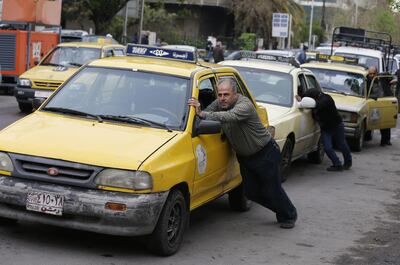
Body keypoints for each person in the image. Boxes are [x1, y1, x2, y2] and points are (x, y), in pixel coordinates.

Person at [188, 78, 297, 229]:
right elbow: (207, 112)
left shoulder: (244, 105)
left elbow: (229, 116)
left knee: (272, 189)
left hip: (265, 153)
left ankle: (289, 215)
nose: (222, 98)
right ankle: (281, 209)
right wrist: (196, 109)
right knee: (250, 192)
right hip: (245, 158)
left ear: (235, 94)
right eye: (219, 95)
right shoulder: (220, 104)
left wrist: (203, 114)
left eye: (226, 94)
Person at [301, 88, 352, 171]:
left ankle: (348, 162)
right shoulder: (317, 99)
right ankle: (337, 164)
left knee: (342, 144)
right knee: (327, 147)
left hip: (336, 125)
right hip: (326, 128)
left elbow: (318, 105)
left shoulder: (326, 99)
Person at [367, 66, 392, 146]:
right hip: (373, 102)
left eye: (373, 74)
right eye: (370, 74)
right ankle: (367, 136)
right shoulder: (367, 81)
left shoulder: (381, 80)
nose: (371, 75)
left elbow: (390, 78)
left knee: (385, 121)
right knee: (369, 120)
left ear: (376, 73)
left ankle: (385, 140)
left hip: (383, 102)